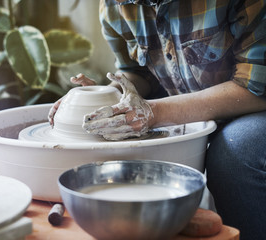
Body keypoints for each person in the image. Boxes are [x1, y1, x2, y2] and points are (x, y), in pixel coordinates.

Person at [49, 0, 266, 239]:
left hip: (253, 109)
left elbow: (257, 87)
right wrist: (108, 99)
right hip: (190, 110)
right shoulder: (115, 5)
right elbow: (139, 73)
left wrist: (155, 113)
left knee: (234, 151)